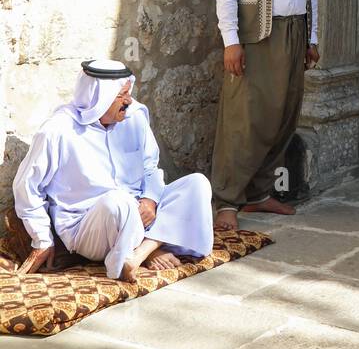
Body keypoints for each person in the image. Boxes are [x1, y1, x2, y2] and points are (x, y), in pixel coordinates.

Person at [13, 61, 213, 281]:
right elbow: (27, 187)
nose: (129, 100)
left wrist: (150, 199)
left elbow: (151, 168)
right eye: (123, 94)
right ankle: (149, 247)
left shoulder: (134, 117)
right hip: (89, 228)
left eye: (129, 92)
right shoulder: (58, 131)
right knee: (119, 201)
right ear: (100, 98)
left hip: (140, 213)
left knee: (197, 184)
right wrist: (42, 240)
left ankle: (140, 253)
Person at [211, 0, 319, 230]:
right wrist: (231, 42)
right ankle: (227, 199)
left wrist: (312, 39)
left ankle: (259, 194)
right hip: (256, 38)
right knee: (244, 118)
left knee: (283, 116)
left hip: (294, 35)